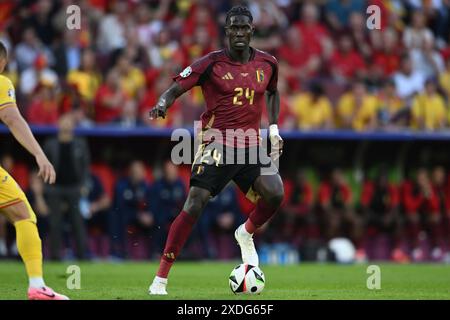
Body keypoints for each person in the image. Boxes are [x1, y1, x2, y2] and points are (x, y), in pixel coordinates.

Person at [148, 6, 284, 295]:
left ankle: (244, 233)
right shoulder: (210, 64)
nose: (238, 32)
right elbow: (175, 88)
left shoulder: (268, 63)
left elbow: (272, 92)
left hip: (249, 146)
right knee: (195, 203)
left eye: (243, 27)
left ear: (251, 30)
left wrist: (273, 130)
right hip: (217, 143)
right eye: (233, 27)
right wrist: (162, 103)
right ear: (226, 31)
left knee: (275, 193)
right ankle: (160, 278)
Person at [0, 41, 68, 299]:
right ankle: (37, 286)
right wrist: (40, 154)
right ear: (2, 63)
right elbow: (12, 118)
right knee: (23, 215)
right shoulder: (2, 82)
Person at [43, 113, 90, 261]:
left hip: (74, 188)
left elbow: (85, 167)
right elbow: (44, 165)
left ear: (73, 125)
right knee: (55, 222)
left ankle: (82, 255)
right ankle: (55, 255)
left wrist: (84, 185)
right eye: (63, 121)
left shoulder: (80, 143)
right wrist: (45, 186)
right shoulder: (50, 144)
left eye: (69, 122)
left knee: (77, 222)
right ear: (58, 124)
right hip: (54, 188)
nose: (66, 125)